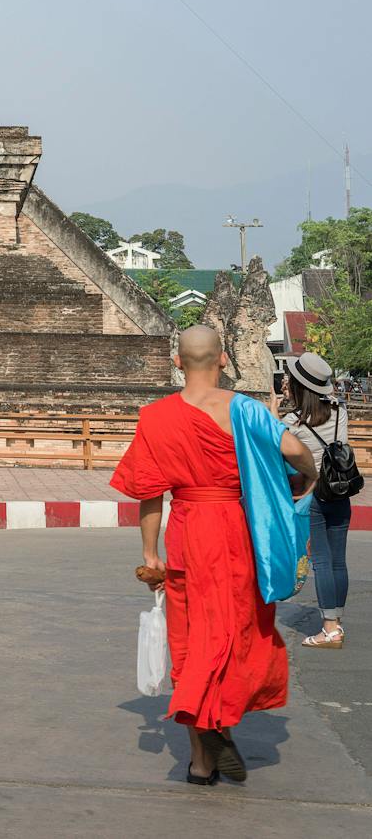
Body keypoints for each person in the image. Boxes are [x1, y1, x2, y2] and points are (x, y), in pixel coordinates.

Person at [111, 325, 318, 785]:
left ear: (177, 362)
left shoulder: (157, 417)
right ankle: (216, 720)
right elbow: (299, 453)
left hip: (187, 530)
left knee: (194, 638)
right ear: (223, 360)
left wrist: (151, 553)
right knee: (234, 630)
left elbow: (149, 493)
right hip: (239, 532)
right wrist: (304, 482)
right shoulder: (244, 410)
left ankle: (202, 760)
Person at [280, 352, 352, 648]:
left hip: (316, 496)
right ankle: (337, 618)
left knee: (321, 562)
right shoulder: (340, 411)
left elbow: (283, 455)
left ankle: (330, 628)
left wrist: (277, 409)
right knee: (338, 562)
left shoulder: (292, 423)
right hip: (341, 491)